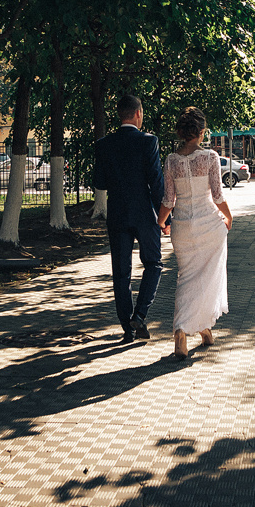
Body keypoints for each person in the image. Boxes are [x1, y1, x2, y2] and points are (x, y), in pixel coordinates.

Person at [157, 107, 232, 360]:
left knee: (186, 277)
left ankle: (187, 331)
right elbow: (217, 195)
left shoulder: (171, 160)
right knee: (209, 276)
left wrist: (161, 222)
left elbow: (168, 200)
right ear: (201, 132)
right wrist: (229, 217)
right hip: (209, 224)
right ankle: (197, 326)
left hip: (182, 227)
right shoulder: (210, 157)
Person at [93, 95, 166, 344]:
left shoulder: (104, 144)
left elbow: (99, 183)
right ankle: (140, 315)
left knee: (121, 273)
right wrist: (165, 217)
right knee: (153, 264)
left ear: (119, 115)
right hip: (145, 214)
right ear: (137, 114)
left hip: (117, 214)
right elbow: (156, 182)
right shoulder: (149, 141)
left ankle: (128, 328)